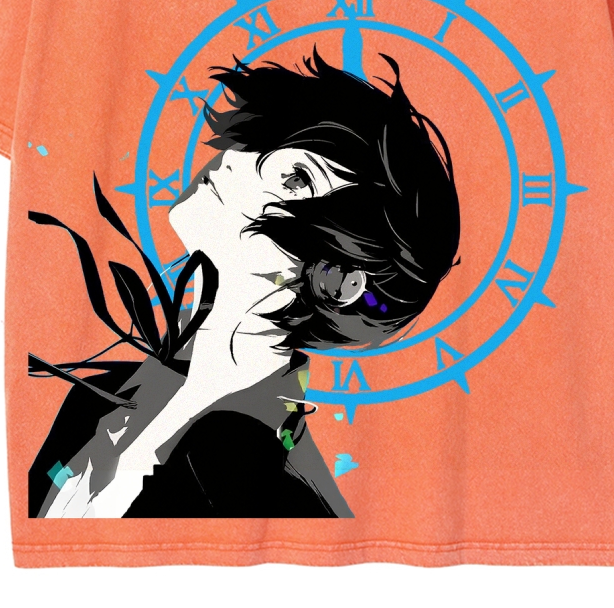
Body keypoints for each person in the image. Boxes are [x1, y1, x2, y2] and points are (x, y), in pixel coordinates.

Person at [28, 48, 460, 518]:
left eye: (297, 178)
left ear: (339, 280)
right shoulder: (94, 399)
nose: (238, 158)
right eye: (262, 142)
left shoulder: (282, 494)